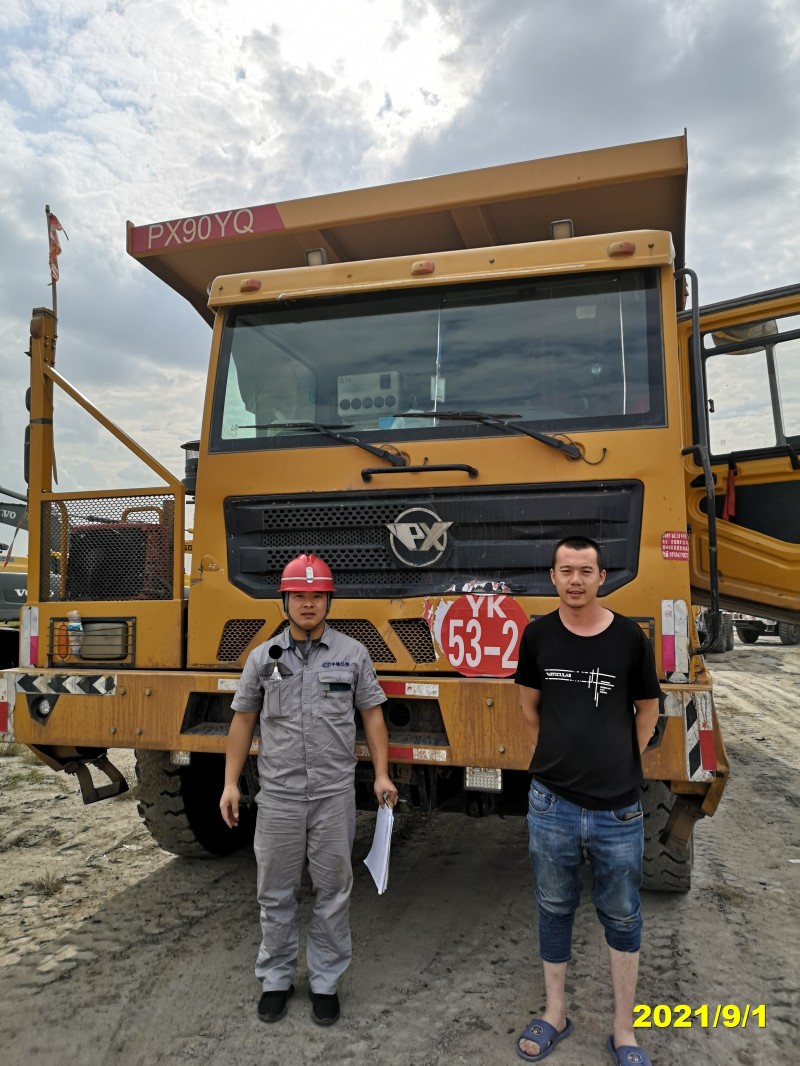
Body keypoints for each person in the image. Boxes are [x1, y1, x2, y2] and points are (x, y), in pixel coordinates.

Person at [220, 552, 397, 1026]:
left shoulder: (352, 654)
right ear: (284, 600)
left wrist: (382, 774)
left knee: (333, 892)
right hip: (278, 797)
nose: (308, 603)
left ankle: (325, 982)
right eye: (299, 595)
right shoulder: (263, 658)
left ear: (328, 601)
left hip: (333, 796)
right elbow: (243, 721)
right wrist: (230, 783)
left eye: (317, 596)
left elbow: (372, 716)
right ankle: (276, 979)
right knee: (275, 894)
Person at [513, 536, 661, 1065]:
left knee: (622, 915)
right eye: (566, 570)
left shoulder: (628, 638)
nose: (575, 580)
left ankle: (624, 1030)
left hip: (617, 809)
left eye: (585, 570)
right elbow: (529, 707)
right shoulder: (537, 636)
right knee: (554, 906)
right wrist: (560, 755)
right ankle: (555, 1012)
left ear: (602, 577)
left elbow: (647, 710)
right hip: (551, 805)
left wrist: (619, 759)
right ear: (552, 577)